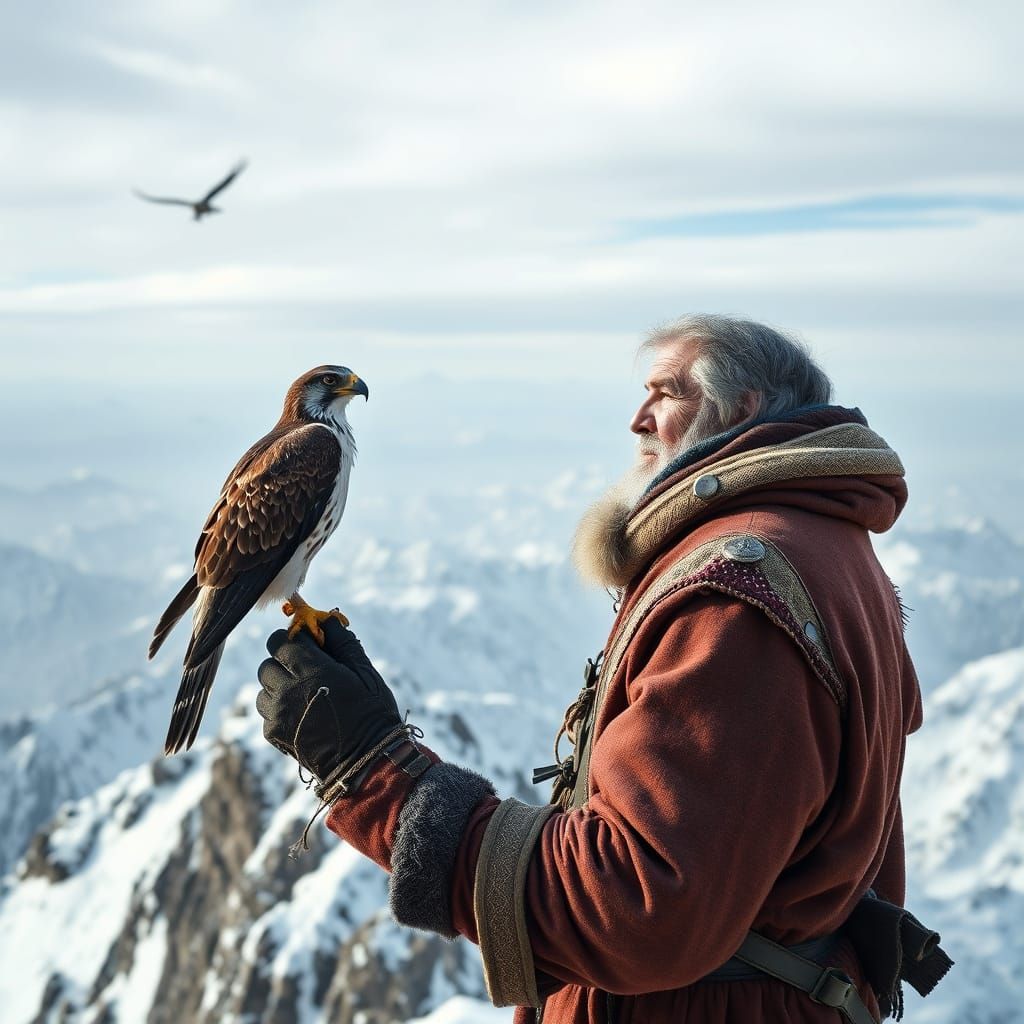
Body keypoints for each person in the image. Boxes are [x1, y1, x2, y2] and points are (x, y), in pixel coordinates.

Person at [256, 315, 949, 1023]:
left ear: (740, 411)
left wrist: (376, 775)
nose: (636, 419)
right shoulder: (816, 547)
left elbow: (635, 905)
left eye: (664, 394)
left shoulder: (738, 598)